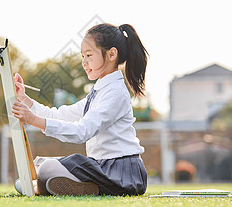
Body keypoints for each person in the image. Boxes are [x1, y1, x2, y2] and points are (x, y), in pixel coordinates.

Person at [12, 23, 148, 196]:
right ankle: (74, 185)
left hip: (123, 173)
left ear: (112, 54)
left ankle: (52, 184)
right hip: (101, 166)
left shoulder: (116, 93)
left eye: (89, 55)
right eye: (82, 56)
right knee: (41, 164)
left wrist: (32, 120)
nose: (84, 62)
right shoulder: (100, 91)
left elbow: (82, 131)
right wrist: (25, 100)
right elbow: (61, 115)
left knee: (47, 168)